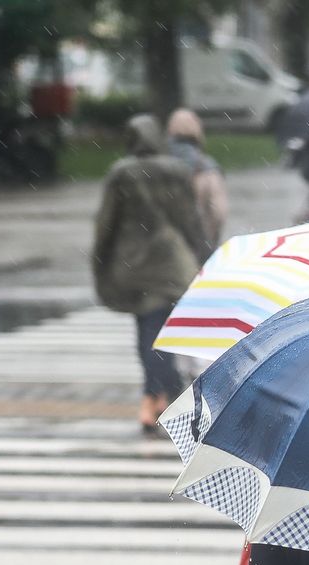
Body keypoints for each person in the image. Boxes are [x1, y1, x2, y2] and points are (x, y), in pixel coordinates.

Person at [94, 115, 210, 431]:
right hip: (173, 261)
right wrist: (203, 256)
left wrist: (101, 259)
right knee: (168, 331)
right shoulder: (177, 171)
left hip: (135, 262)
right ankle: (164, 395)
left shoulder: (121, 173)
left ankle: (153, 397)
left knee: (147, 329)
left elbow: (106, 223)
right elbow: (191, 221)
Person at [166, 107, 229, 248]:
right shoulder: (207, 168)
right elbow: (218, 212)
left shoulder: (156, 165)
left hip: (165, 249)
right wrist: (209, 242)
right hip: (197, 245)